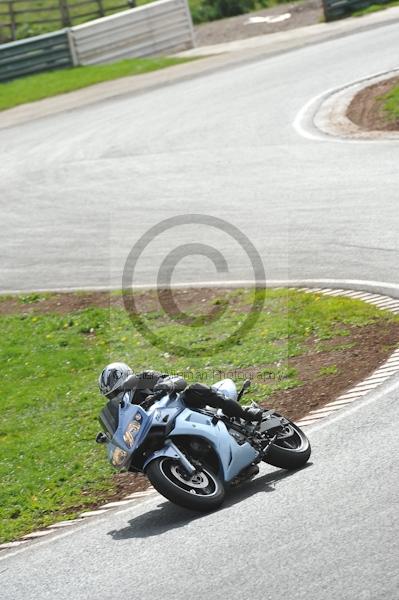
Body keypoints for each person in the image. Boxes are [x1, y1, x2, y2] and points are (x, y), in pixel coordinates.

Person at [98, 362, 264, 422]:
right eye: (111, 395)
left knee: (195, 389)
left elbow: (178, 380)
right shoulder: (123, 409)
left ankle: (244, 414)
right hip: (161, 425)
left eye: (116, 391)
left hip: (182, 408)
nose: (116, 397)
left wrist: (166, 385)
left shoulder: (144, 378)